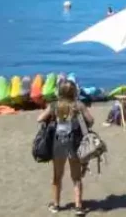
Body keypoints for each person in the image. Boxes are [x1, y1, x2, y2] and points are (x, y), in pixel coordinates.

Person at [37, 80, 93, 216]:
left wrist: (51, 118)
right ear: (74, 92)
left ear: (59, 91)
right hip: (74, 142)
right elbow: (91, 121)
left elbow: (39, 119)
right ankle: (78, 206)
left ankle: (56, 205)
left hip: (58, 143)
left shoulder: (54, 105)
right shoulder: (79, 105)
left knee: (57, 176)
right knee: (76, 176)